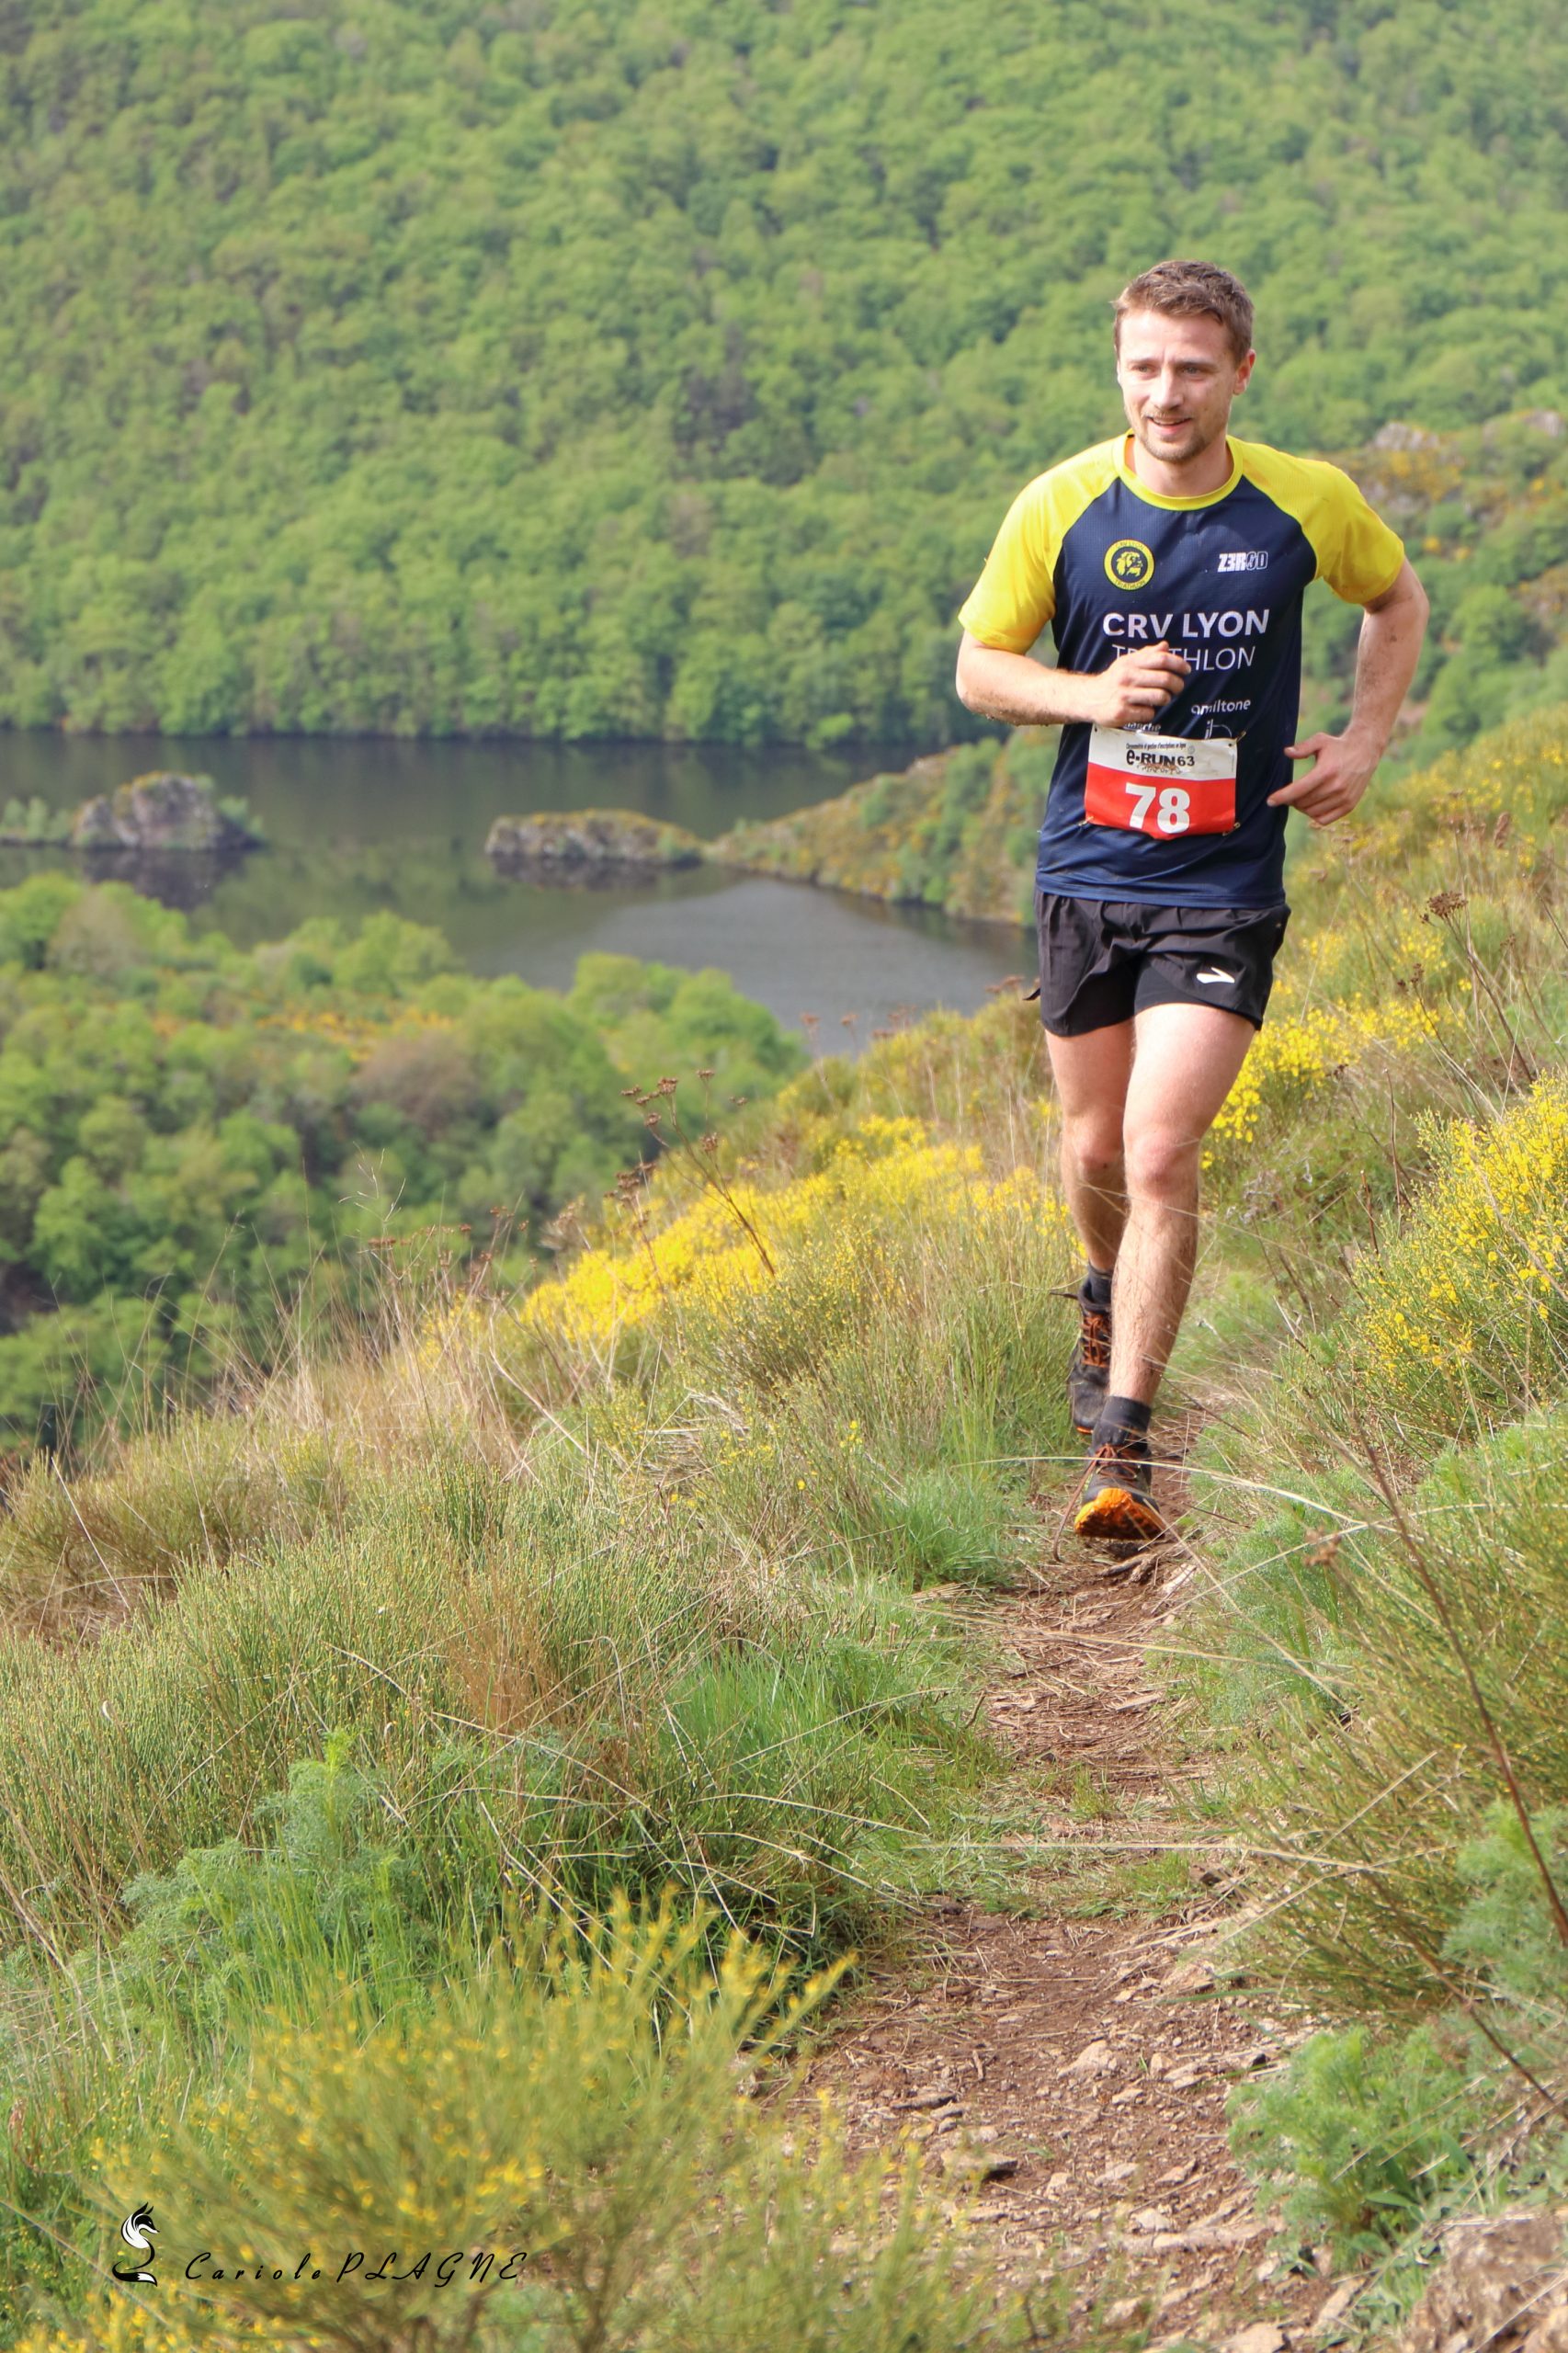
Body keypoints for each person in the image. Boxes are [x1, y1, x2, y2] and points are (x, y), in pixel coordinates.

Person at [954, 258, 1428, 1543]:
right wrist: (1089, 695)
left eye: (1193, 370)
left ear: (1240, 375)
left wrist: (1363, 742)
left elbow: (1394, 598)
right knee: (1093, 1151)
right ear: (1118, 369)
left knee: (1160, 1149)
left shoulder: (1302, 501)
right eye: (1143, 368)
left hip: (1223, 884)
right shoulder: (1061, 503)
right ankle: (1099, 1285)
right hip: (1087, 871)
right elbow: (981, 667)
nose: (1165, 394)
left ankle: (1124, 1448)